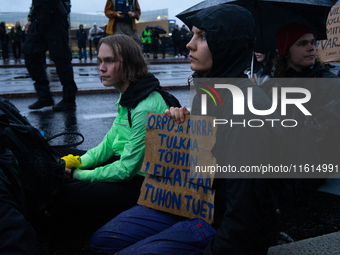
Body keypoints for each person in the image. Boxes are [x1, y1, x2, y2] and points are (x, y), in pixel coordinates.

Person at [89, 5, 282, 255]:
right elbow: (206, 159)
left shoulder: (247, 109)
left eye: (201, 37)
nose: (189, 44)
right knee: (102, 241)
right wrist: (183, 126)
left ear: (225, 44)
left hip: (218, 221)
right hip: (193, 202)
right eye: (192, 35)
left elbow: (244, 216)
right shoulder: (211, 92)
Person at [40, 34, 180, 252]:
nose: (101, 68)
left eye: (110, 61)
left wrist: (77, 175)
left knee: (70, 192)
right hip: (130, 171)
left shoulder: (144, 105)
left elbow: (126, 170)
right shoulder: (129, 96)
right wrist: (74, 162)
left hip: (145, 184)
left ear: (130, 64)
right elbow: (106, 146)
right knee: (60, 156)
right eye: (99, 61)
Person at [262, 23, 340, 206]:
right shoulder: (272, 84)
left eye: (313, 42)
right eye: (302, 43)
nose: (311, 47)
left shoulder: (327, 82)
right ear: (286, 51)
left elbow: (324, 130)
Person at [22, 0, 78, 111]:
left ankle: (69, 99)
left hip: (56, 18)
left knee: (61, 58)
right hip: (40, 19)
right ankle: (44, 96)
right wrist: (30, 18)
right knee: (30, 52)